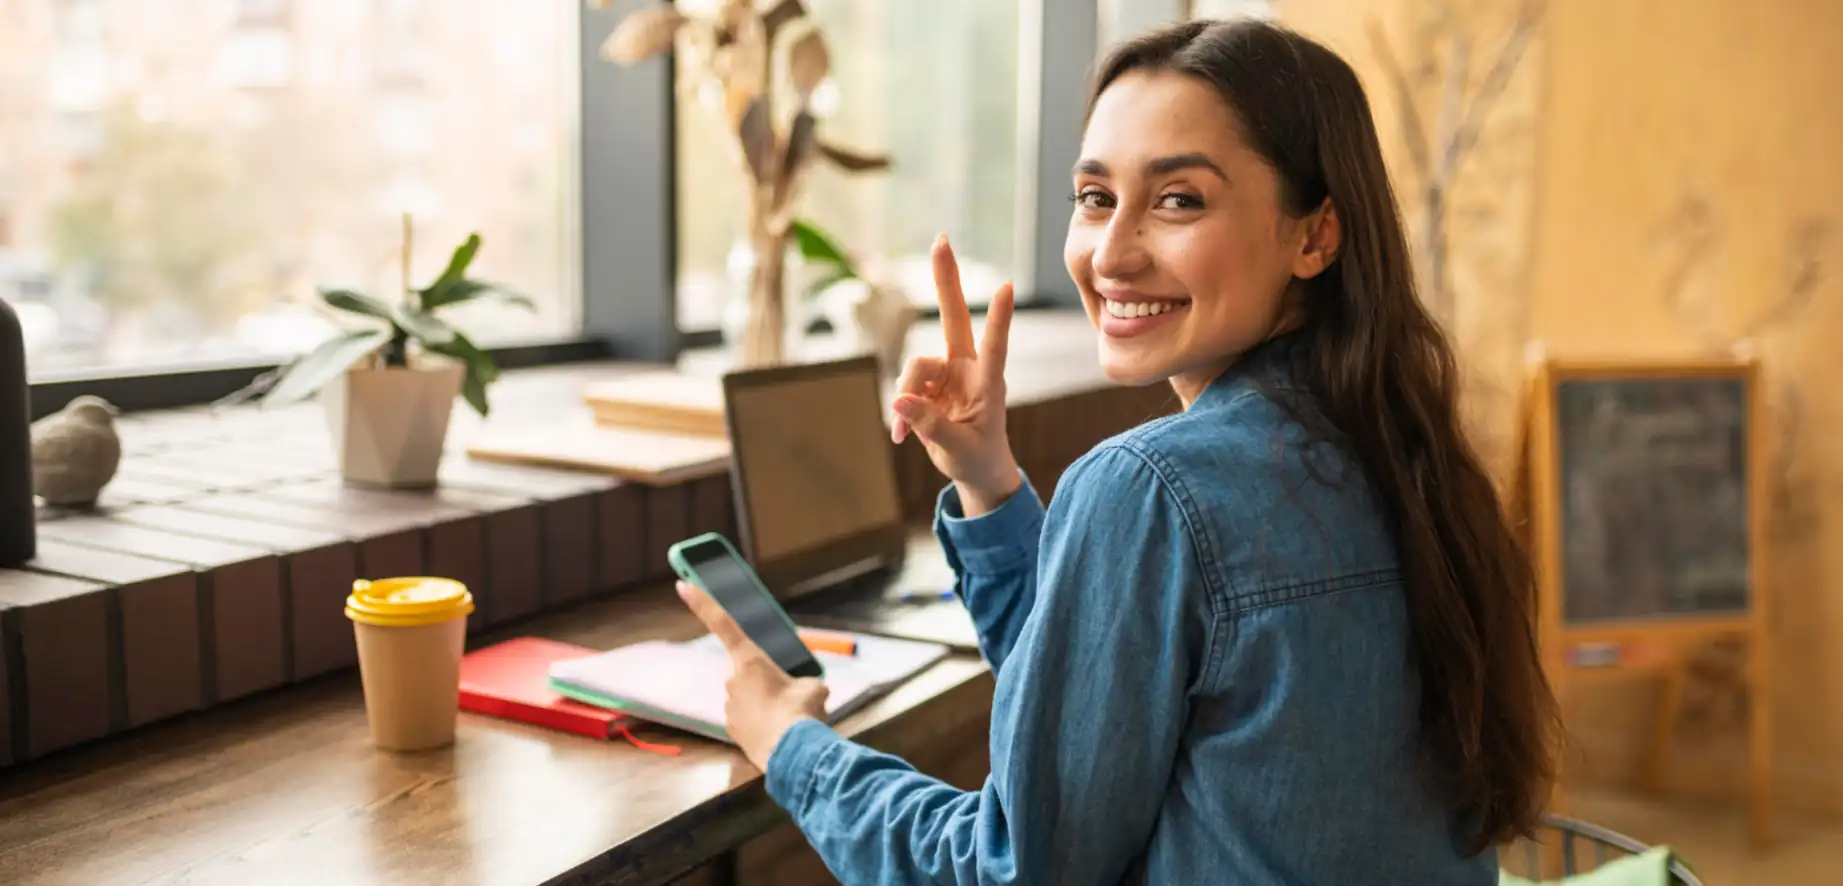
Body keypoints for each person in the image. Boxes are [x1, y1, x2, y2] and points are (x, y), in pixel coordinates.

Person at [675, 17, 1559, 885]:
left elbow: (1010, 872)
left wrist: (793, 746)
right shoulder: (1406, 454)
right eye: (1095, 197)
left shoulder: (1152, 487)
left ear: (1314, 235)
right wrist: (988, 480)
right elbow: (1104, 709)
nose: (1110, 254)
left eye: (1178, 200)